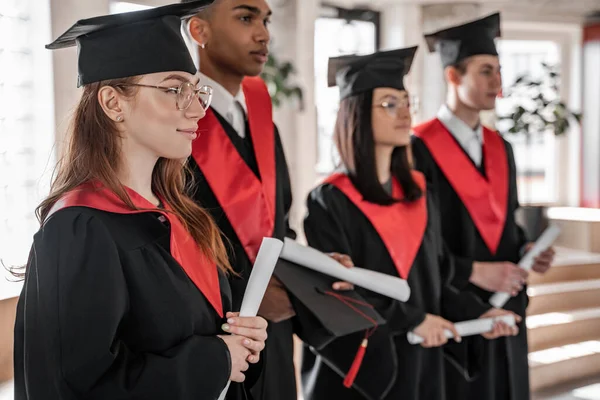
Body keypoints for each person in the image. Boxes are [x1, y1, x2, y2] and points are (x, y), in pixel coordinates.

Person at [13, 3, 268, 399]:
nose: (198, 107)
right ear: (113, 103)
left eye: (195, 89)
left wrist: (242, 346)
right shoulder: (79, 229)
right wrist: (216, 359)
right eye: (173, 89)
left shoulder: (183, 216)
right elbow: (79, 388)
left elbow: (209, 345)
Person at [302, 46, 519, 400]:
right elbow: (339, 293)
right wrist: (413, 320)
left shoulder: (419, 193)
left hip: (421, 361)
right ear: (355, 113)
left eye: (406, 101)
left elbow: (438, 278)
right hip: (368, 373)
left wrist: (482, 314)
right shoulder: (330, 200)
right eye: (389, 103)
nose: (404, 112)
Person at [182, 1, 353, 399]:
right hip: (214, 341)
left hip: (272, 335)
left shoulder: (262, 122)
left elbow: (278, 229)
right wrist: (249, 301)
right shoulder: (180, 129)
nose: (263, 34)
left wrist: (314, 269)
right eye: (245, 18)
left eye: (265, 20)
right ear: (199, 31)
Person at [411, 12, 555, 400]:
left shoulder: (501, 147)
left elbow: (506, 218)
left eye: (499, 71)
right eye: (485, 71)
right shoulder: (417, 148)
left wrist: (526, 249)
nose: (498, 82)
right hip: (453, 306)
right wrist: (472, 271)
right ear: (453, 76)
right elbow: (416, 243)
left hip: (506, 303)